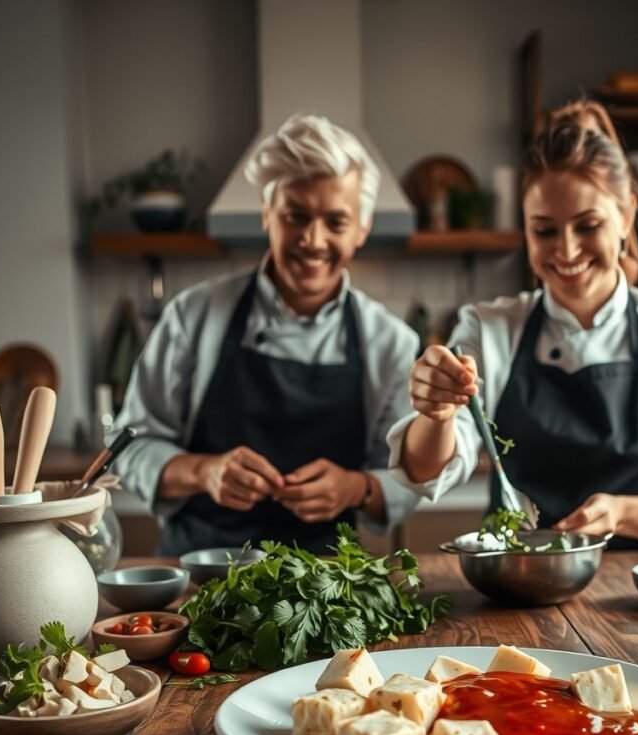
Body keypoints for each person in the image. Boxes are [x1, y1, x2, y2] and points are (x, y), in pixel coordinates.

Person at [390, 114, 638, 554]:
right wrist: (436, 415)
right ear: (525, 229)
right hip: (516, 581)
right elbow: (427, 470)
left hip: (637, 589)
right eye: (544, 230)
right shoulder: (490, 328)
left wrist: (621, 513)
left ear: (625, 216)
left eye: (587, 225)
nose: (567, 249)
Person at [110, 114, 420, 555]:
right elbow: (129, 448)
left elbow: (410, 476)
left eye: (336, 222)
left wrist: (355, 487)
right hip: (196, 577)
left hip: (326, 587)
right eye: (296, 216)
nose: (313, 240)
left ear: (363, 228)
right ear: (266, 213)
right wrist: (204, 472)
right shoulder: (192, 316)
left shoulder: (391, 344)